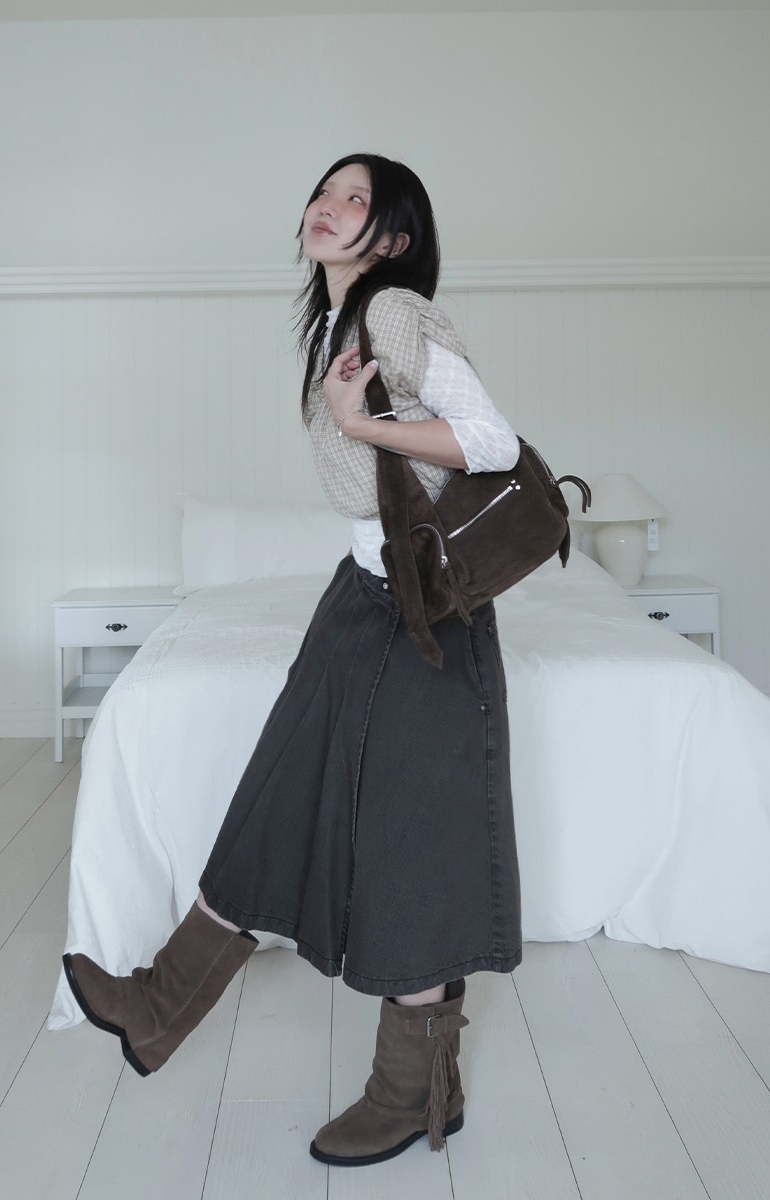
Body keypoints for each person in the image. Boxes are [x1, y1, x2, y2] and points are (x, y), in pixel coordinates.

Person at [63, 152, 522, 1168]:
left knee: (410, 850)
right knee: (275, 797)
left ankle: (412, 1092)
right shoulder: (332, 324)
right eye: (326, 190)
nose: (329, 206)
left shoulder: (395, 312)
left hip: (424, 615)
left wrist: (360, 420)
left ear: (393, 237)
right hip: (360, 599)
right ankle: (158, 1004)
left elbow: (493, 442)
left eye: (358, 200)